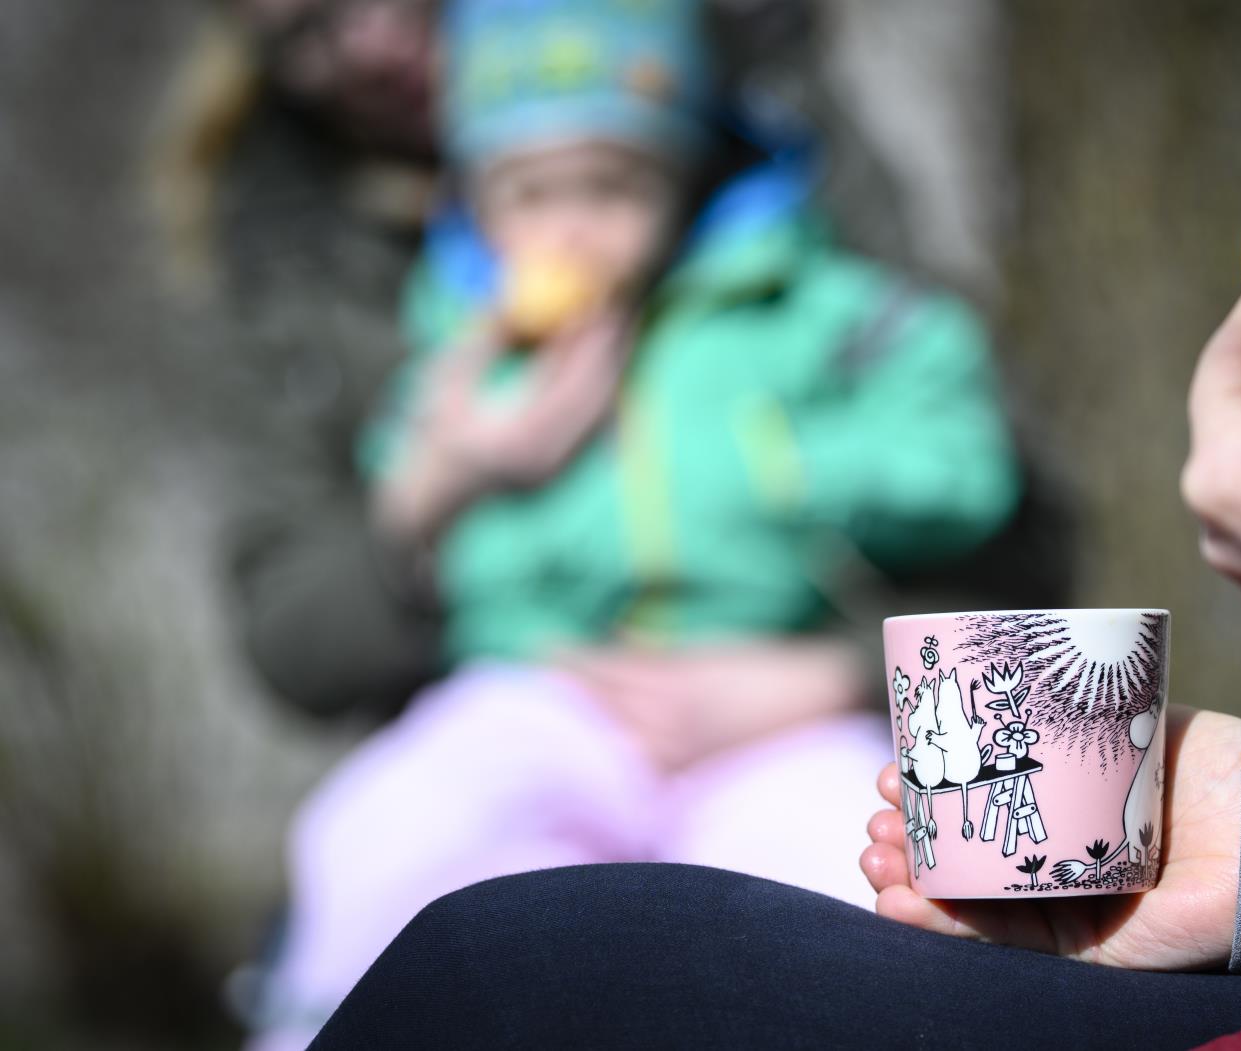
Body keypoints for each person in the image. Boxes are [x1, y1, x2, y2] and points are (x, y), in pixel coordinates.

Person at [297, 192, 1241, 1050]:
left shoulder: (829, 312)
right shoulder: (441, 352)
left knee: (526, 978)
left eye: (609, 177)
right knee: (461, 925)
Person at [243, 0, 1024, 1047]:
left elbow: (965, 458)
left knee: (859, 859)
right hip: (539, 688)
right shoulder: (453, 349)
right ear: (474, 204)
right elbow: (353, 557)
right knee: (382, 839)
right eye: (529, 196)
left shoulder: (786, 301)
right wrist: (450, 474)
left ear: (677, 175)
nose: (570, 227)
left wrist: (782, 465)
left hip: (774, 699)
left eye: (610, 188)